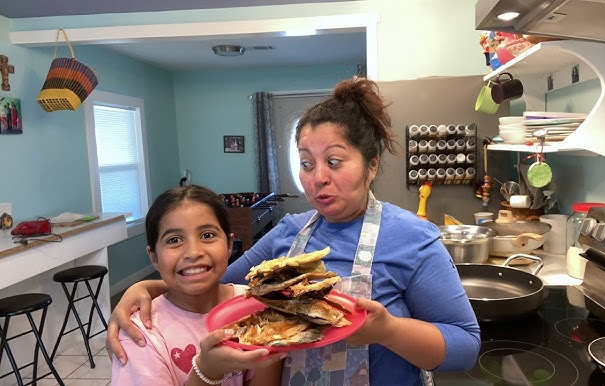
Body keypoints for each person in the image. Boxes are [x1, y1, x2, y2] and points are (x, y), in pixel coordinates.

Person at [107, 77, 481, 386]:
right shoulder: (287, 233)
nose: (318, 178)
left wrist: (388, 331)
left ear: (371, 165)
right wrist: (145, 288)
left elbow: (465, 346)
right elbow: (220, 288)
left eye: (334, 161)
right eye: (306, 163)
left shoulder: (413, 237)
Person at [111, 185, 284, 386]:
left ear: (229, 245)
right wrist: (207, 373)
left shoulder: (258, 308)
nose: (193, 252)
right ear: (154, 257)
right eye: (174, 240)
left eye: (207, 235)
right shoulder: (140, 332)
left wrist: (273, 338)